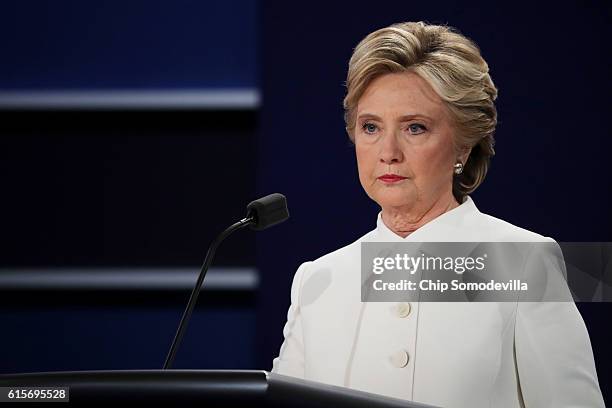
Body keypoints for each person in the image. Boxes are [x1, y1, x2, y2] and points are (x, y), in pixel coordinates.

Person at [270, 21, 605, 407]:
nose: (388, 151)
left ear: (463, 146)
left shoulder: (522, 263)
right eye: (371, 127)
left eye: (415, 127)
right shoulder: (320, 278)